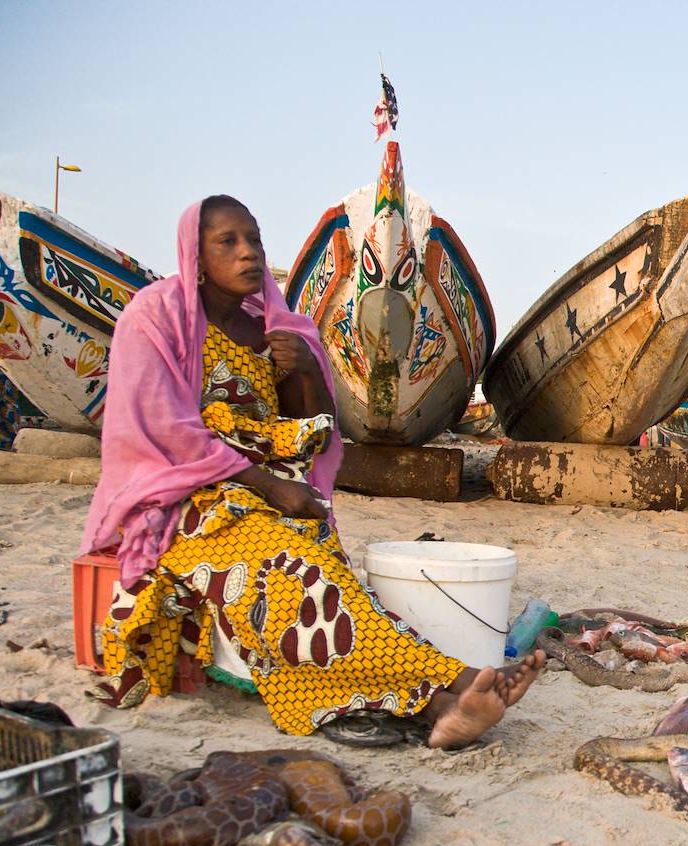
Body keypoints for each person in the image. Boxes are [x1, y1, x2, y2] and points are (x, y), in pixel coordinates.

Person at [80, 196, 543, 749]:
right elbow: (163, 428)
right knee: (295, 571)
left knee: (328, 583)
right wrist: (270, 486)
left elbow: (312, 430)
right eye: (228, 242)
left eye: (254, 239)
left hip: (263, 496)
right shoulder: (155, 317)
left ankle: (442, 708)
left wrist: (303, 372)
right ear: (195, 255)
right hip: (179, 504)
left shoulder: (274, 330)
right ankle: (456, 680)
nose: (249, 253)